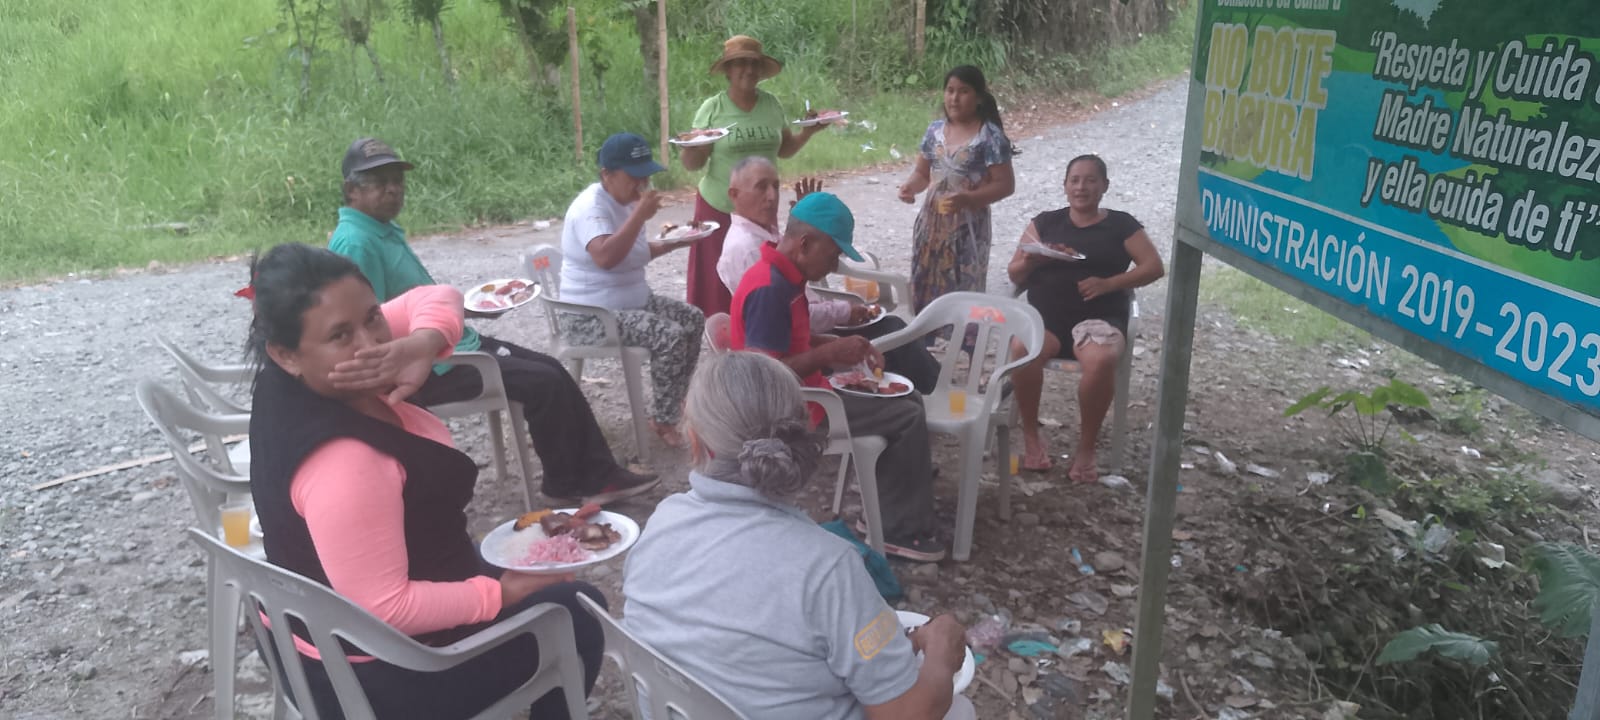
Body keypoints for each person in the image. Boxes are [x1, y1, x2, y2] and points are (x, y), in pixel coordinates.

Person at [245, 242, 604, 719]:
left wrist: (422, 343)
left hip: (309, 635)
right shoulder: (347, 462)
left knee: (535, 558)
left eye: (373, 317)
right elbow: (384, 607)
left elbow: (437, 296)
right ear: (286, 354)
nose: (372, 345)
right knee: (578, 609)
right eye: (340, 335)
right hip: (374, 677)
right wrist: (499, 594)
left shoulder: (290, 379)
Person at [622, 351, 974, 720]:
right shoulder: (827, 568)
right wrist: (940, 651)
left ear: (695, 441)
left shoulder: (662, 523)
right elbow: (906, 714)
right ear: (798, 440)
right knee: (958, 710)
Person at [328, 137, 656, 505]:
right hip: (433, 367)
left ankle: (594, 475)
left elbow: (412, 301)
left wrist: (468, 310)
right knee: (544, 382)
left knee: (550, 368)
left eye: (396, 180)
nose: (392, 189)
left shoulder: (379, 230)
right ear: (351, 190)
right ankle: (570, 484)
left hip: (450, 341)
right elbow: (372, 326)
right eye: (378, 182)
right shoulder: (357, 243)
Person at [731, 192, 944, 561]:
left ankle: (891, 504)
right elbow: (764, 375)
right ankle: (899, 530)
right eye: (832, 256)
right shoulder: (769, 288)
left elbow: (791, 339)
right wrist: (828, 355)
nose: (833, 267)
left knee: (904, 397)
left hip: (806, 392)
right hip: (789, 410)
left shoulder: (785, 277)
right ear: (804, 244)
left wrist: (841, 345)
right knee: (906, 414)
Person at [717, 156, 940, 393]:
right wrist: (830, 348)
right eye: (761, 187)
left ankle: (934, 390)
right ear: (734, 195)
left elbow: (789, 332)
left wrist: (837, 345)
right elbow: (767, 374)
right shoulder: (759, 272)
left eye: (775, 186)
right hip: (797, 400)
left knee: (896, 365)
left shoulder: (776, 253)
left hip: (809, 376)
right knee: (905, 402)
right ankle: (937, 394)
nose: (772, 196)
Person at [1005, 155, 1164, 482]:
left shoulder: (1121, 225)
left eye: (1091, 180)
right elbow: (1015, 273)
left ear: (1105, 186)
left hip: (1099, 318)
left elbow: (1153, 267)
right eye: (1075, 180)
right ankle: (1032, 439)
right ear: (1065, 186)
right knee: (1022, 349)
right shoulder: (1045, 223)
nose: (1081, 187)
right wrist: (1032, 261)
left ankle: (1086, 448)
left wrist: (1110, 284)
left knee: (1101, 359)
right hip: (1047, 318)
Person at [558, 133, 705, 447]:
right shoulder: (591, 208)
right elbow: (606, 257)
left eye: (646, 176)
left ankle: (673, 400)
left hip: (630, 304)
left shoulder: (626, 202)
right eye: (634, 176)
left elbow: (633, 253)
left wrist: (678, 241)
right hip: (590, 317)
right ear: (606, 175)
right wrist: (640, 216)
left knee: (692, 318)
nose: (642, 183)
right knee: (669, 335)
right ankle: (664, 420)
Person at [679, 34, 834, 317]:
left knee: (763, 279)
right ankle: (722, 336)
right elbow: (692, 164)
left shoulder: (771, 105)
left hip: (761, 207)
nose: (748, 70)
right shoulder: (713, 108)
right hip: (718, 206)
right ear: (728, 70)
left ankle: (762, 330)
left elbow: (784, 149)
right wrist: (693, 145)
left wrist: (808, 132)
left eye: (754, 64)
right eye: (740, 63)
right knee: (717, 285)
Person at [897, 66, 1016, 311]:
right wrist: (909, 187)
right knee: (926, 286)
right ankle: (926, 332)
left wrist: (970, 199)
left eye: (963, 91)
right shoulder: (934, 131)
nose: (954, 98)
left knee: (962, 292)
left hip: (967, 229)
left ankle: (961, 335)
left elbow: (1005, 185)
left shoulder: (989, 136)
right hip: (931, 225)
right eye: (950, 91)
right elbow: (923, 174)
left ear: (979, 97)